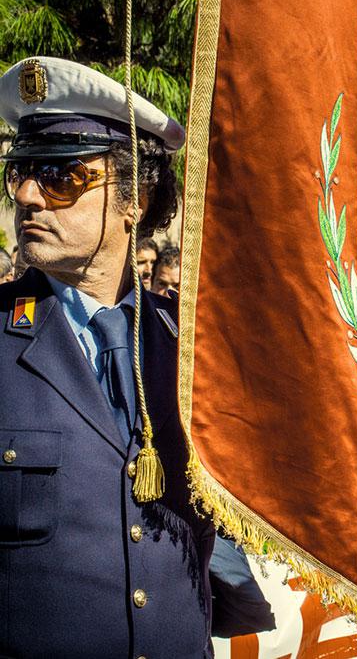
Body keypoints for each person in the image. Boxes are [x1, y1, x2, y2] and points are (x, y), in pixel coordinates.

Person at [0, 56, 215, 655]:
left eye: (59, 174)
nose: (25, 194)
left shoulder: (194, 347)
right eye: (18, 171)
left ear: (136, 198)